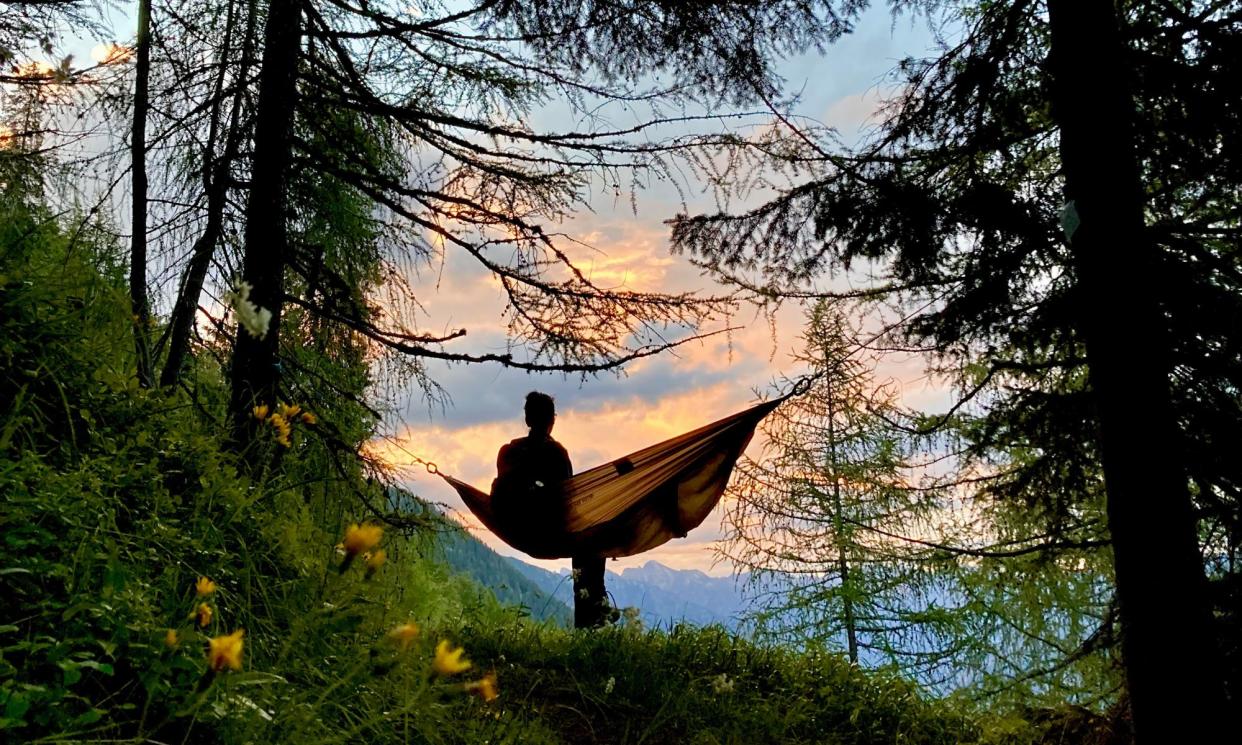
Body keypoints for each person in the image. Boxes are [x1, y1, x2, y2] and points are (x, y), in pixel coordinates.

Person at [493, 391, 612, 628]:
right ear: (552, 421)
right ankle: (591, 621)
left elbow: (503, 493)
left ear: (527, 419)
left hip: (515, 525)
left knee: (590, 544)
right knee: (593, 547)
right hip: (547, 529)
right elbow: (566, 500)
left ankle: (593, 618)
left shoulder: (508, 452)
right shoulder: (556, 454)